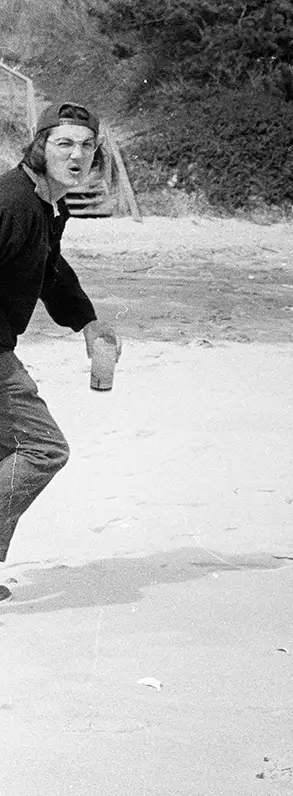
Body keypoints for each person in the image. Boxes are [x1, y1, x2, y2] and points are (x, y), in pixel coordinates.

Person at [0, 100, 122, 593]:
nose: (77, 155)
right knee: (42, 448)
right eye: (64, 143)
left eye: (87, 146)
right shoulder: (13, 203)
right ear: (40, 146)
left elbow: (50, 268)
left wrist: (86, 322)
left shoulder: (50, 203)